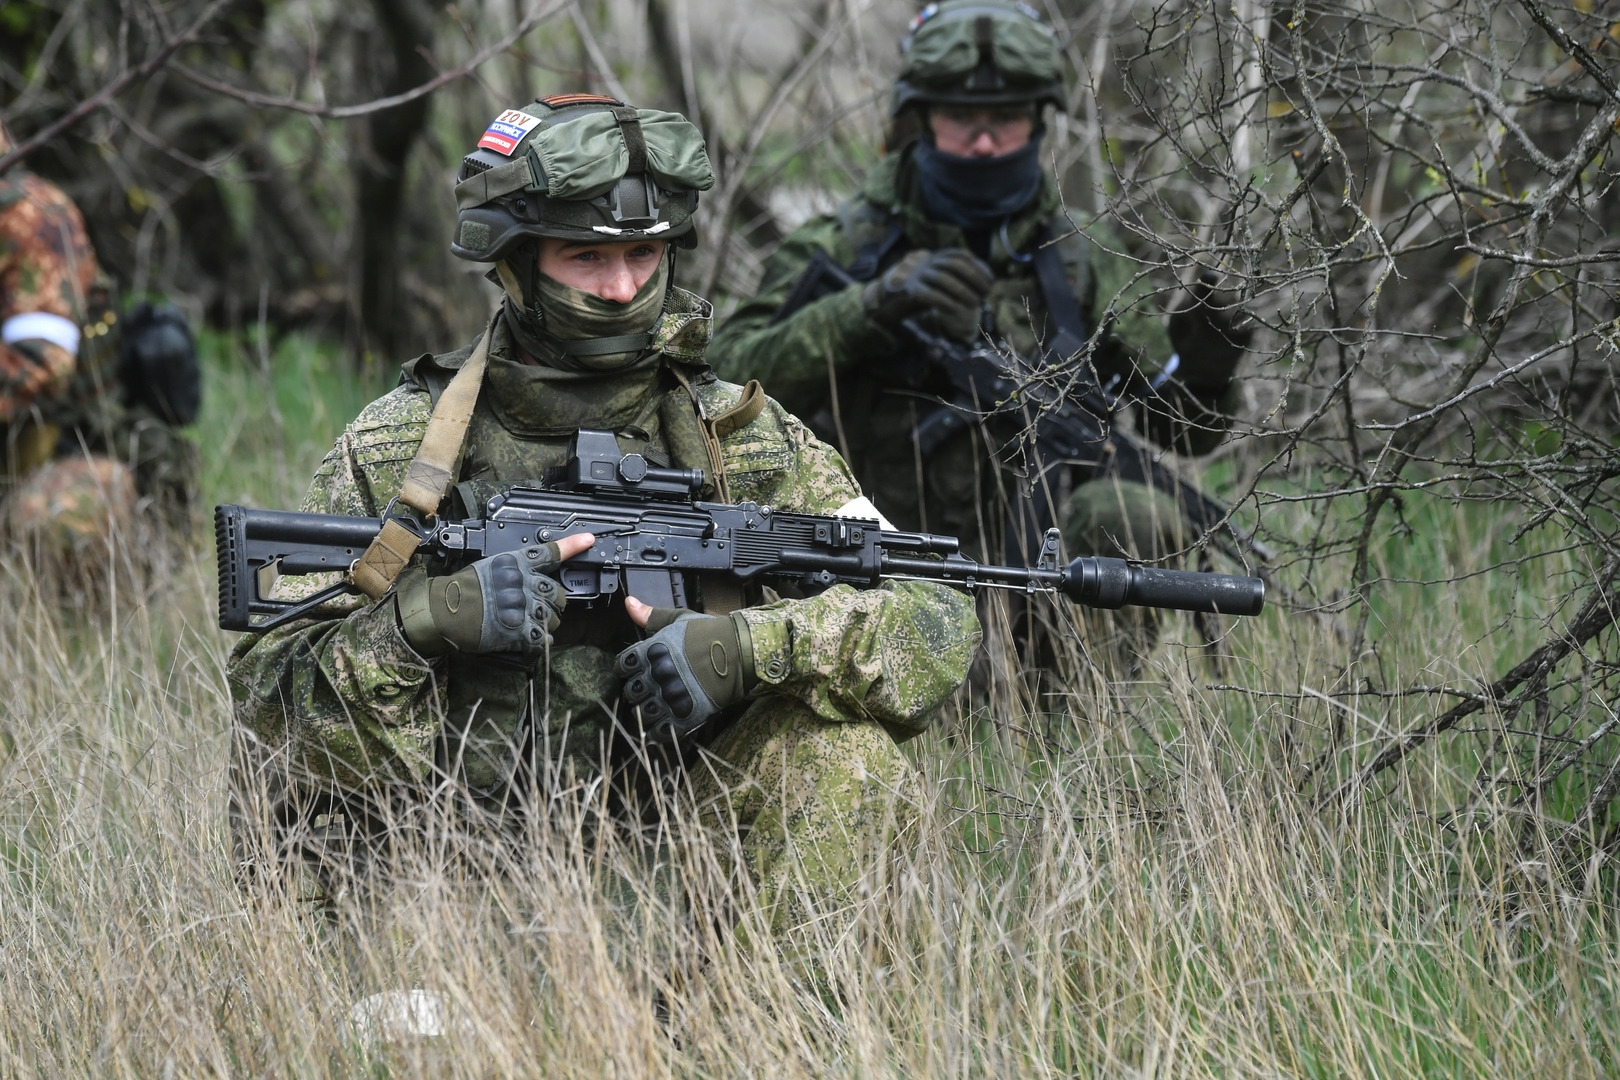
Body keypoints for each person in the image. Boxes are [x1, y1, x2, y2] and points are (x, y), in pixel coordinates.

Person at [226, 96, 980, 952]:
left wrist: (753, 651)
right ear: (513, 263)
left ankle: (779, 1036)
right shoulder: (402, 447)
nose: (623, 288)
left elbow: (938, 616)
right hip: (439, 872)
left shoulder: (742, 438)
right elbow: (263, 706)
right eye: (586, 256)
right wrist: (424, 623)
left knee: (846, 759)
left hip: (673, 872)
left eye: (644, 255)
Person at [707, 0, 1251, 579]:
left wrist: (1206, 377)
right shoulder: (844, 246)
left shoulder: (1076, 261)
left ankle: (1059, 671)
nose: (986, 143)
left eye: (1008, 116)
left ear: (1040, 121)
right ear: (922, 118)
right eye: (964, 118)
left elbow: (1180, 434)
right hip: (866, 553)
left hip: (1036, 568)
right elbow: (722, 388)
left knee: (1134, 514)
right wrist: (864, 309)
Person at [0, 122, 200, 554]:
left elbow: (40, 366)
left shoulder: (31, 219)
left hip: (66, 454)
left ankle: (82, 615)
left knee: (57, 517)